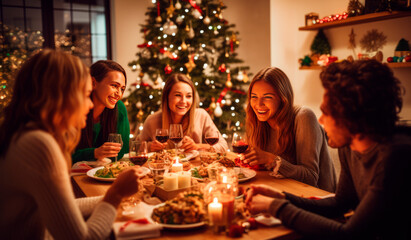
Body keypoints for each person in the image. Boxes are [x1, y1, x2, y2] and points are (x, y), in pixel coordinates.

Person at [245, 60, 411, 239]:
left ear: (351, 115)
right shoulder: (348, 147)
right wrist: (281, 197)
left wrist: (274, 207)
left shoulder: (395, 158)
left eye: (326, 112)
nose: (320, 120)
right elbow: (339, 203)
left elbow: (348, 233)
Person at [0, 49, 143, 239]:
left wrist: (115, 198)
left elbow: (62, 208)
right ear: (59, 95)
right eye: (84, 94)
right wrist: (115, 195)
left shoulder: (23, 134)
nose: (90, 104)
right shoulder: (39, 145)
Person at [242, 67, 336, 192]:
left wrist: (273, 160)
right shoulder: (258, 121)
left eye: (268, 97)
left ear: (282, 98)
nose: (259, 104)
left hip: (317, 198)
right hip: (282, 191)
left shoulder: (303, 117)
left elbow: (311, 177)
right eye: (254, 97)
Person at [138, 73, 228, 152]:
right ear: (167, 97)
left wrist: (197, 146)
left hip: (193, 169)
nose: (183, 101)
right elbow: (136, 148)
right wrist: (150, 147)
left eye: (188, 96)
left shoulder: (201, 115)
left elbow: (223, 146)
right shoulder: (152, 120)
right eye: (178, 95)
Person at [72, 60, 130, 164]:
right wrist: (94, 153)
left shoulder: (119, 109)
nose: (119, 94)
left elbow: (122, 151)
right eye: (114, 86)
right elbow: (64, 155)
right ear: (93, 83)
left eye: (122, 89)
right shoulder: (75, 108)